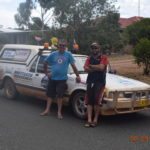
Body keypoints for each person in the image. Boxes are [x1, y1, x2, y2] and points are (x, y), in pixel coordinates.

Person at [40, 39, 81, 119]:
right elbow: (45, 62)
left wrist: (77, 75)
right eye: (61, 45)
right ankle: (47, 110)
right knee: (50, 95)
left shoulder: (68, 55)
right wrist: (46, 73)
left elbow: (73, 66)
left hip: (62, 79)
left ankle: (59, 112)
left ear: (66, 46)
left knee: (60, 96)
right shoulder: (53, 54)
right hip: (52, 78)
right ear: (58, 46)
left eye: (64, 45)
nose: (62, 47)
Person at [84, 42, 108, 127]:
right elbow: (85, 69)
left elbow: (102, 68)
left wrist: (91, 66)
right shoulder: (89, 58)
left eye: (96, 48)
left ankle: (95, 120)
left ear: (99, 48)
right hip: (90, 81)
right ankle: (89, 120)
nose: (94, 49)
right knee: (89, 101)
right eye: (93, 48)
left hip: (100, 82)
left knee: (97, 102)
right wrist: (96, 67)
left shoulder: (103, 57)